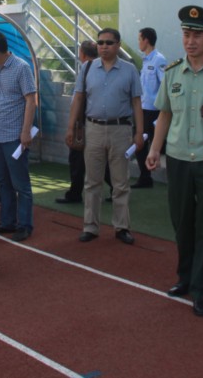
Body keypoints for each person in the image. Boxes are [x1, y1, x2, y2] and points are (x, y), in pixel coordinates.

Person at [146, 6, 203, 317]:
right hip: (178, 159)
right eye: (186, 34)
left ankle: (202, 290)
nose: (190, 41)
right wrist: (154, 150)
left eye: (197, 35)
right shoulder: (172, 72)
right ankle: (185, 277)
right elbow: (164, 114)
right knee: (182, 222)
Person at [65, 28, 143, 245]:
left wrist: (139, 132)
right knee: (92, 181)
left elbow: (137, 102)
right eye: (100, 43)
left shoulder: (129, 70)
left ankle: (122, 227)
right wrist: (70, 128)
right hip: (93, 129)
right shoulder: (87, 68)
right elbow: (78, 98)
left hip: (120, 130)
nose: (104, 46)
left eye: (109, 42)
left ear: (118, 45)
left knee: (120, 182)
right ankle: (90, 226)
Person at [0, 31, 37, 242]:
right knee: (3, 181)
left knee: (20, 183)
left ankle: (24, 225)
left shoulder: (21, 68)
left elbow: (31, 100)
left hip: (14, 137)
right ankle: (7, 222)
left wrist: (25, 131)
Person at [56, 40, 112, 204]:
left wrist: (73, 124)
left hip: (85, 122)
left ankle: (75, 193)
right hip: (95, 121)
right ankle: (116, 188)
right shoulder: (101, 68)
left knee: (77, 160)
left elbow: (79, 98)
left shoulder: (87, 69)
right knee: (99, 160)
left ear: (82, 54)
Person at [134, 27, 166, 189]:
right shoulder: (146, 60)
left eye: (140, 39)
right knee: (139, 143)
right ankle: (145, 177)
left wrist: (161, 111)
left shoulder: (159, 59)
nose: (138, 42)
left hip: (153, 111)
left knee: (142, 142)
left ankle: (146, 177)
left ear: (146, 40)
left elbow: (164, 85)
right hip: (142, 108)